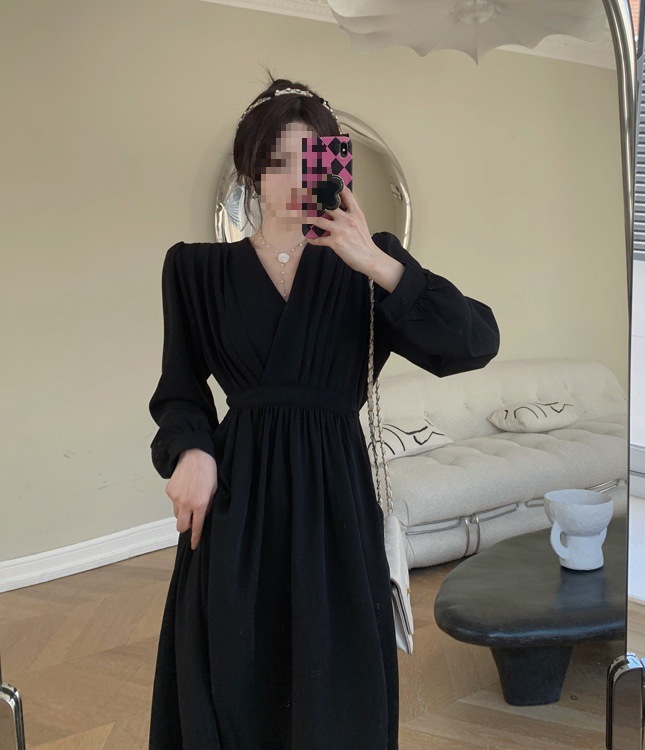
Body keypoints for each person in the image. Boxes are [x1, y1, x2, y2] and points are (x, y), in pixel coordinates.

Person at [147, 74, 500, 750]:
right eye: (276, 160)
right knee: (235, 665)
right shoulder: (194, 270)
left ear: (333, 165)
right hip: (238, 495)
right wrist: (191, 450)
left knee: (334, 675)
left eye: (308, 159)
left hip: (333, 495)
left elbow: (475, 343)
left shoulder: (366, 266)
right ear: (252, 168)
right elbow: (180, 389)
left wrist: (377, 263)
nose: (292, 179)